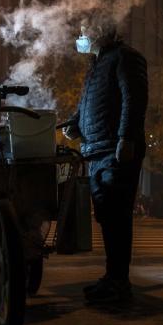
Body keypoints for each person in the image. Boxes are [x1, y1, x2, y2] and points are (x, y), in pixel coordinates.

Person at [63, 21, 148, 304]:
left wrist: (126, 138)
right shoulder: (96, 64)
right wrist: (75, 124)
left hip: (115, 150)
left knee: (116, 216)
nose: (82, 35)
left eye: (86, 30)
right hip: (97, 150)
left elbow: (134, 100)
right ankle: (112, 278)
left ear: (101, 32)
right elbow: (87, 104)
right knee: (107, 217)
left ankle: (119, 282)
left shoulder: (126, 57)